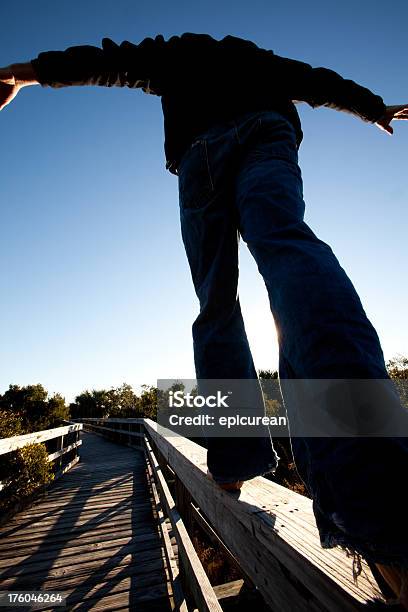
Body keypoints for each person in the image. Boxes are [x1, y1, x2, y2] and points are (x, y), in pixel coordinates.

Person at [1, 32, 407, 605]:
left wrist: (22, 71)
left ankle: (236, 455)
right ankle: (383, 501)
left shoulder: (171, 57)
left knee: (217, 305)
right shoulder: (264, 62)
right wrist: (372, 107)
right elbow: (318, 82)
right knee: (291, 254)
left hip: (200, 157)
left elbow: (106, 62)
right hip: (267, 132)